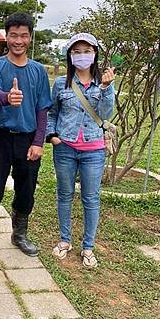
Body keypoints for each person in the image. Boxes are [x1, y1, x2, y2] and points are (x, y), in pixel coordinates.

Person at [0, 12, 52, 260]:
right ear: (6, 37)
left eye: (23, 35)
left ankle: (19, 234)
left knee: (26, 190)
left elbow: (43, 108)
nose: (18, 40)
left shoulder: (39, 70)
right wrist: (7, 98)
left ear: (30, 38)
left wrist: (39, 142)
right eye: (13, 35)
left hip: (27, 139)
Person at [46, 33, 115, 268]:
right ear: (70, 56)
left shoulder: (104, 83)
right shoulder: (60, 83)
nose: (82, 56)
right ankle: (65, 241)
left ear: (95, 54)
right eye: (77, 52)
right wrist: (52, 136)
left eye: (87, 51)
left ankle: (88, 246)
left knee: (91, 198)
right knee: (64, 195)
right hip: (65, 147)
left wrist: (106, 88)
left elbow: (106, 115)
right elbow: (52, 112)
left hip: (94, 150)